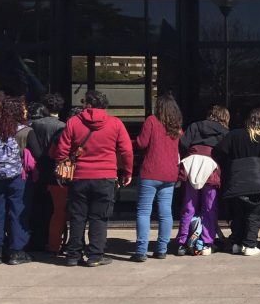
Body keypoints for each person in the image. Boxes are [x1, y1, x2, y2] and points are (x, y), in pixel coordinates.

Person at [51, 90, 133, 267]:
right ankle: (95, 255)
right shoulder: (115, 123)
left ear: (87, 104)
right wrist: (127, 172)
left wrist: (61, 169)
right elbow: (126, 150)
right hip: (105, 176)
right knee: (99, 217)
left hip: (79, 176)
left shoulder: (73, 122)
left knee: (77, 217)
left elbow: (62, 150)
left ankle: (73, 255)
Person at [214, 108, 260, 256]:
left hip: (236, 181)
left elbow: (218, 152)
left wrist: (230, 164)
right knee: (254, 215)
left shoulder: (234, 135)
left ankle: (237, 243)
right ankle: (250, 244)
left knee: (237, 214)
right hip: (257, 182)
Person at [0, 97, 43, 265]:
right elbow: (39, 154)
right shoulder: (25, 131)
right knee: (17, 212)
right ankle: (16, 251)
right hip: (19, 176)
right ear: (18, 111)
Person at [131, 94, 183, 262]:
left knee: (144, 211)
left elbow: (142, 143)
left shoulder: (152, 121)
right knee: (165, 213)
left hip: (150, 172)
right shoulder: (176, 126)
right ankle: (161, 249)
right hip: (170, 174)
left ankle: (141, 251)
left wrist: (129, 143)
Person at [177, 105, 230, 254]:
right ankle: (206, 241)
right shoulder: (224, 132)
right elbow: (225, 151)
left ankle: (182, 241)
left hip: (191, 164)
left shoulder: (195, 125)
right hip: (211, 166)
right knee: (209, 207)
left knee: (188, 206)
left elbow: (183, 143)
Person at [29, 93, 66, 253]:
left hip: (38, 167)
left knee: (38, 206)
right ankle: (54, 241)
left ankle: (38, 238)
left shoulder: (35, 124)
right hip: (55, 170)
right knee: (57, 209)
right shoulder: (62, 126)